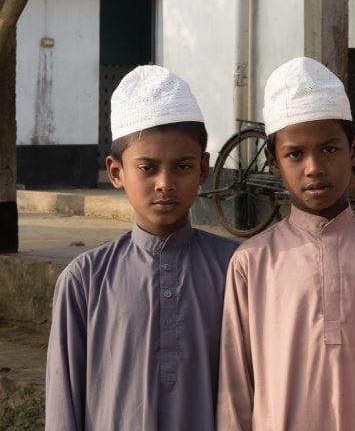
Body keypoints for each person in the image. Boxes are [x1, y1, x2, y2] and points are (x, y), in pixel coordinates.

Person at [217, 57, 355, 431]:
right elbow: (236, 383)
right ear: (272, 161)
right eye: (295, 154)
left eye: (329, 149)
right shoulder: (251, 262)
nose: (314, 167)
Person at [46, 65, 238, 430]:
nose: (165, 183)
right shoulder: (85, 280)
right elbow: (63, 401)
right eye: (147, 168)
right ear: (116, 172)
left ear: (203, 169)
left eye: (182, 166)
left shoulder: (236, 269)